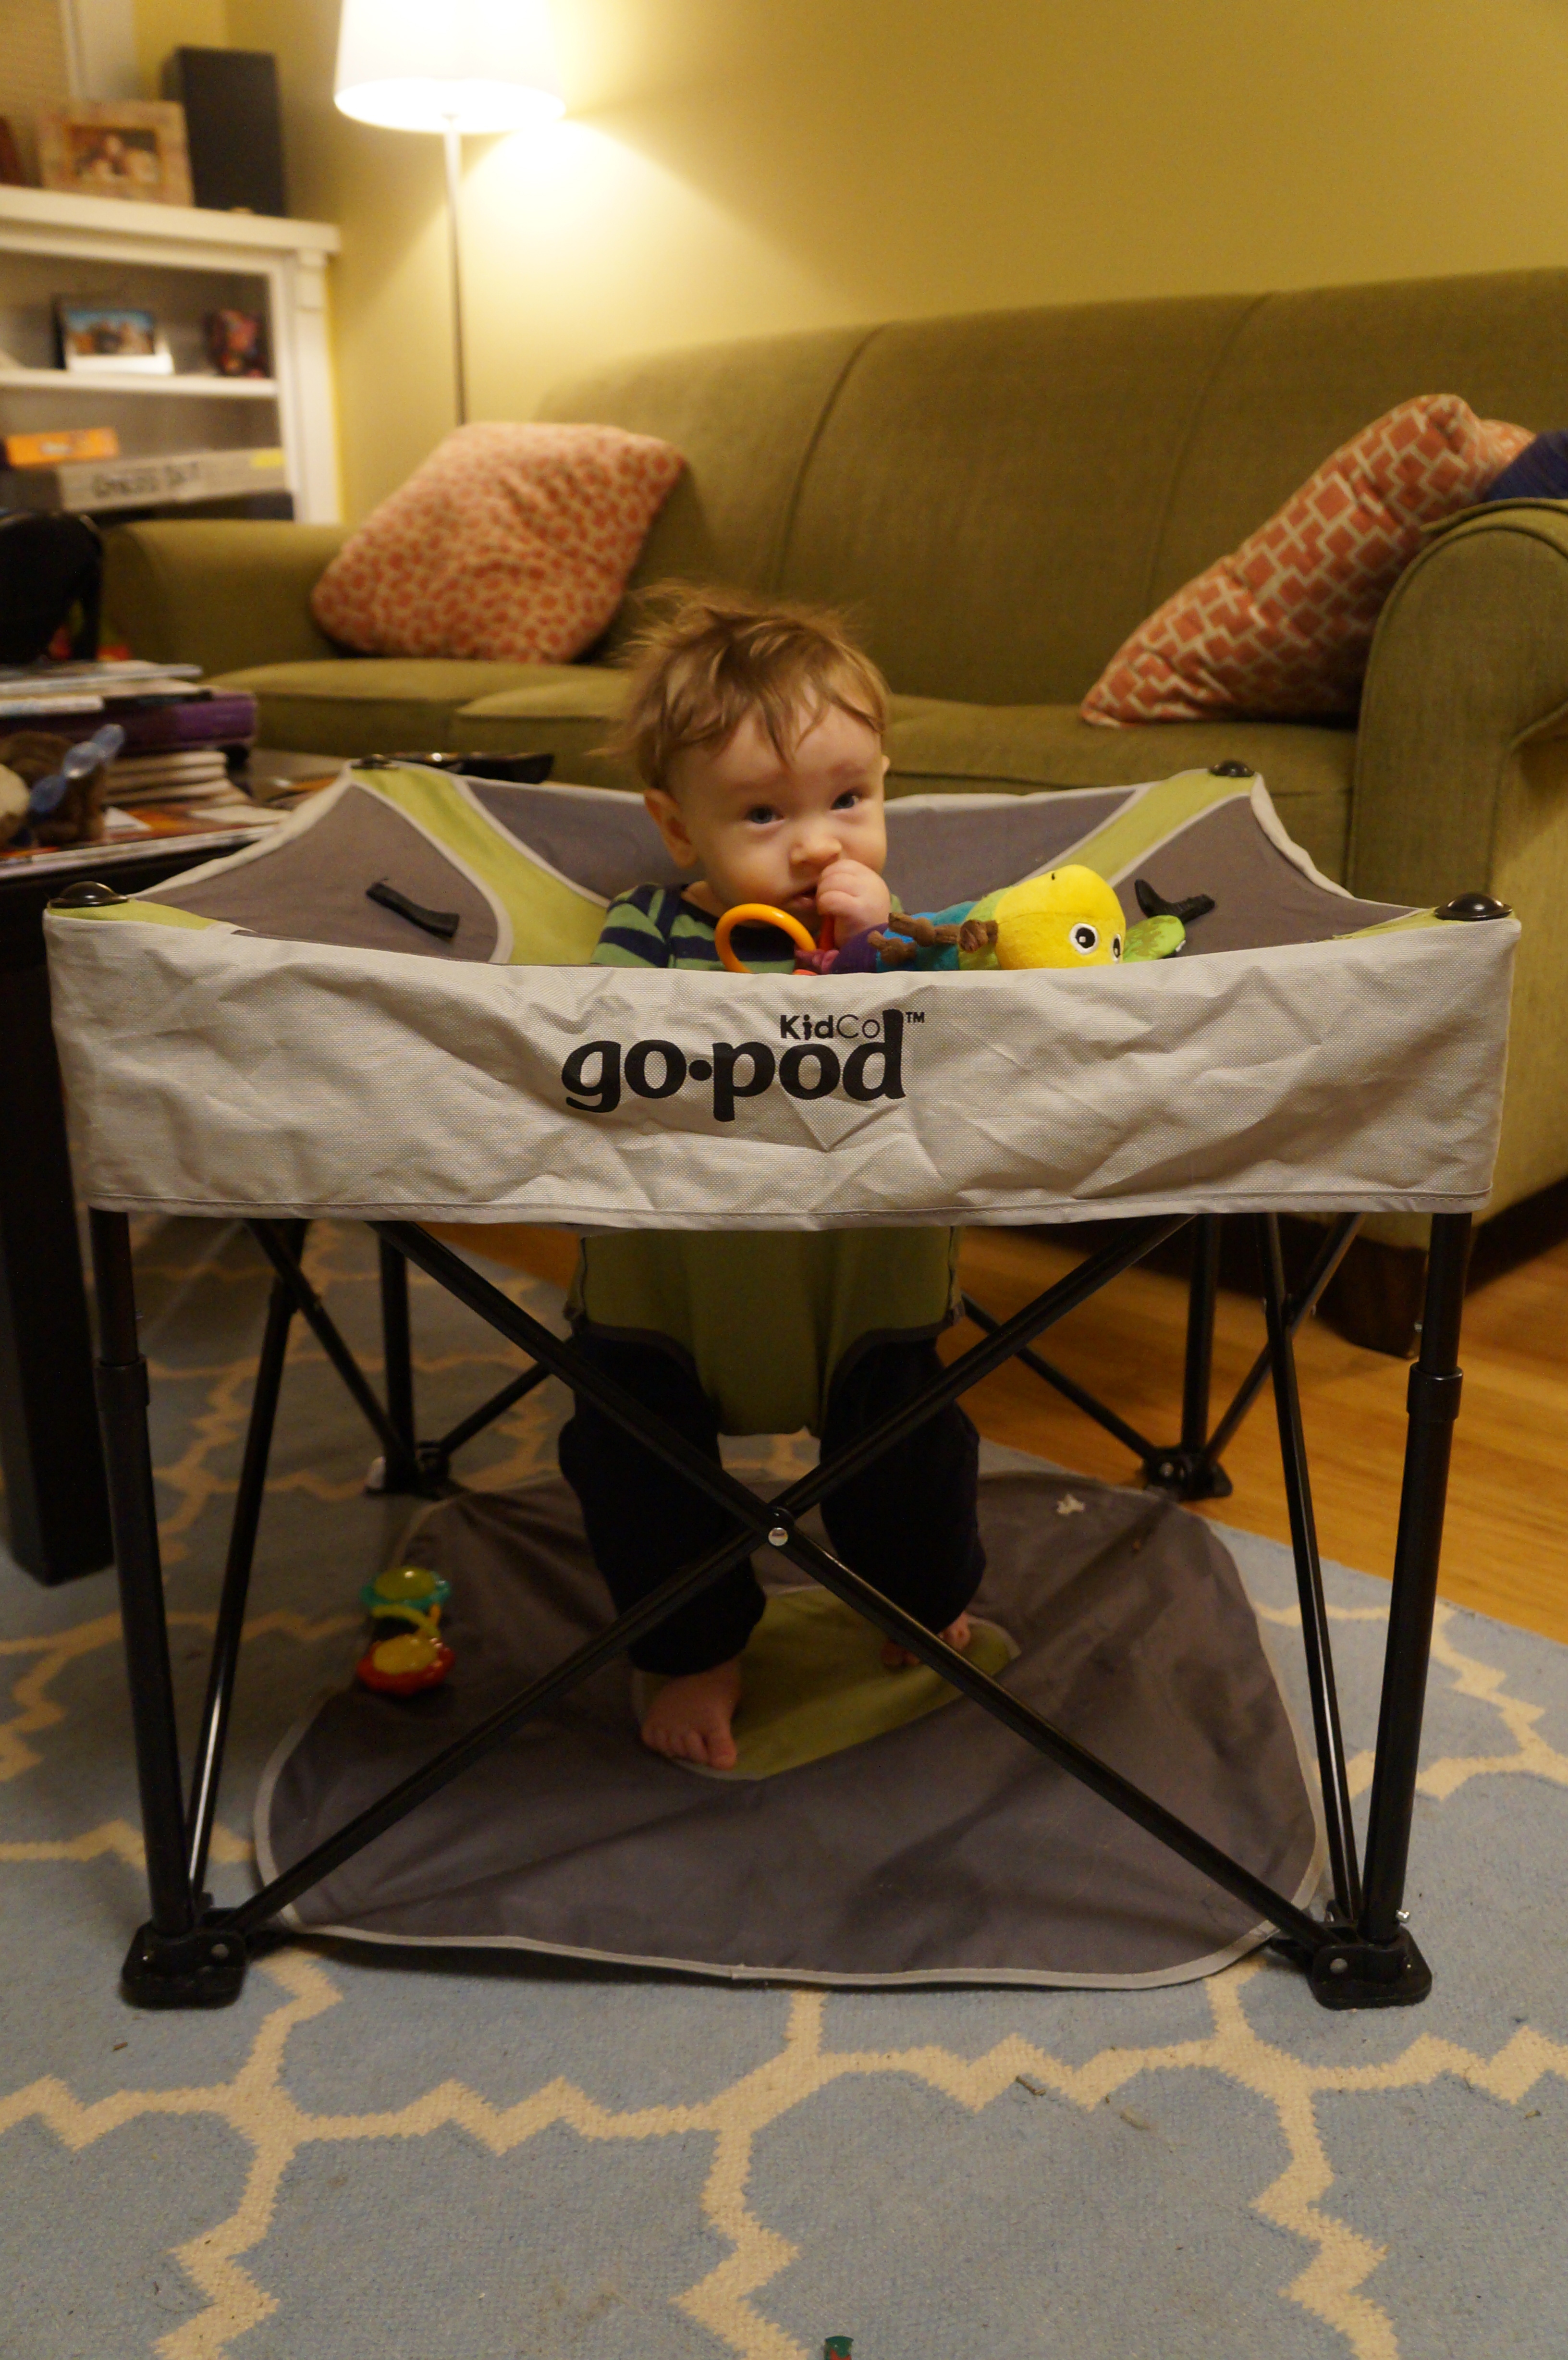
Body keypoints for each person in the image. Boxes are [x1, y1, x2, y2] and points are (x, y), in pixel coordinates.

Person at [558, 588, 984, 1771]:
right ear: (678, 825)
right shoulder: (648, 927)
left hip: (863, 1264)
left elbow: (974, 1034)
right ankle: (692, 1647)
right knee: (630, 1461)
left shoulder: (895, 935)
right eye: (762, 812)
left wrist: (881, 946)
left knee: (913, 1448)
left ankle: (916, 1595)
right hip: (674, 1275)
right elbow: (604, 1034)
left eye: (850, 800)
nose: (817, 845)